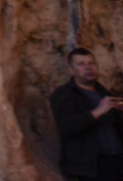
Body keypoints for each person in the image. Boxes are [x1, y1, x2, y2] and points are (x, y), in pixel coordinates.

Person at [50, 47, 123, 180]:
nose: (88, 68)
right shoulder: (64, 94)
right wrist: (98, 111)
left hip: (117, 160)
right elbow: (67, 127)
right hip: (89, 167)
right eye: (81, 64)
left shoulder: (104, 93)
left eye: (92, 63)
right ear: (71, 70)